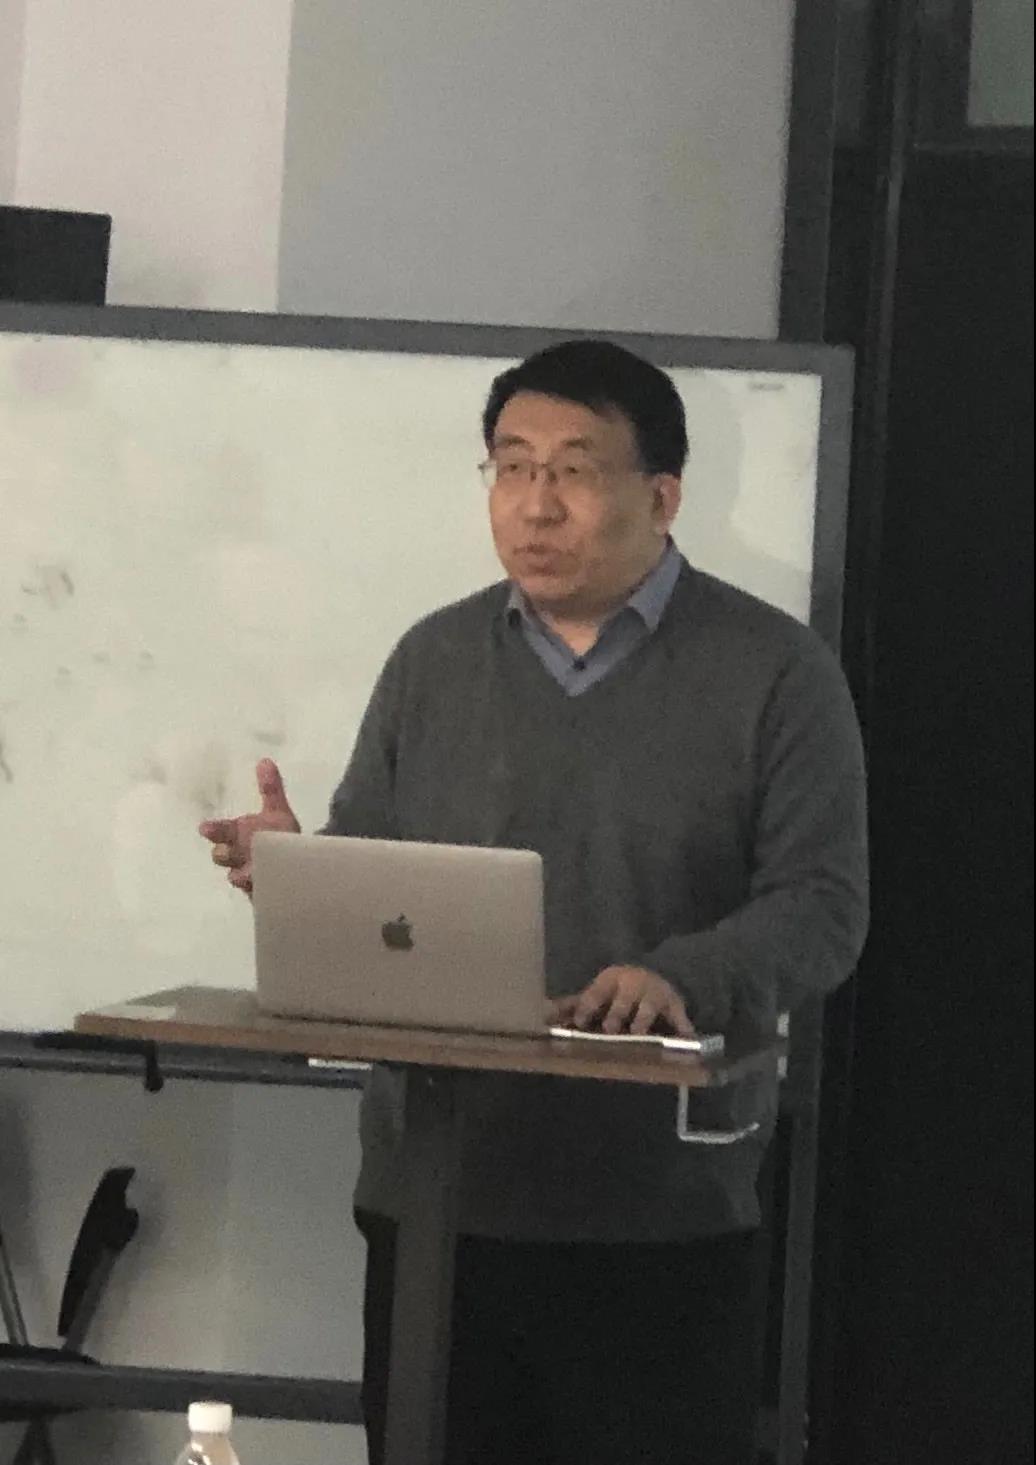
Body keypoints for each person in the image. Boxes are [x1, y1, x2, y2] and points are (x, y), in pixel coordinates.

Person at [200, 340, 869, 1465]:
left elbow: (822, 905)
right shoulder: (433, 659)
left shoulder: (775, 671)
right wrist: (303, 876)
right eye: (510, 467)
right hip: (436, 1201)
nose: (534, 504)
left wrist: (681, 974)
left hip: (656, 1210)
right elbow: (383, 887)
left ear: (662, 497)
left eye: (574, 470)